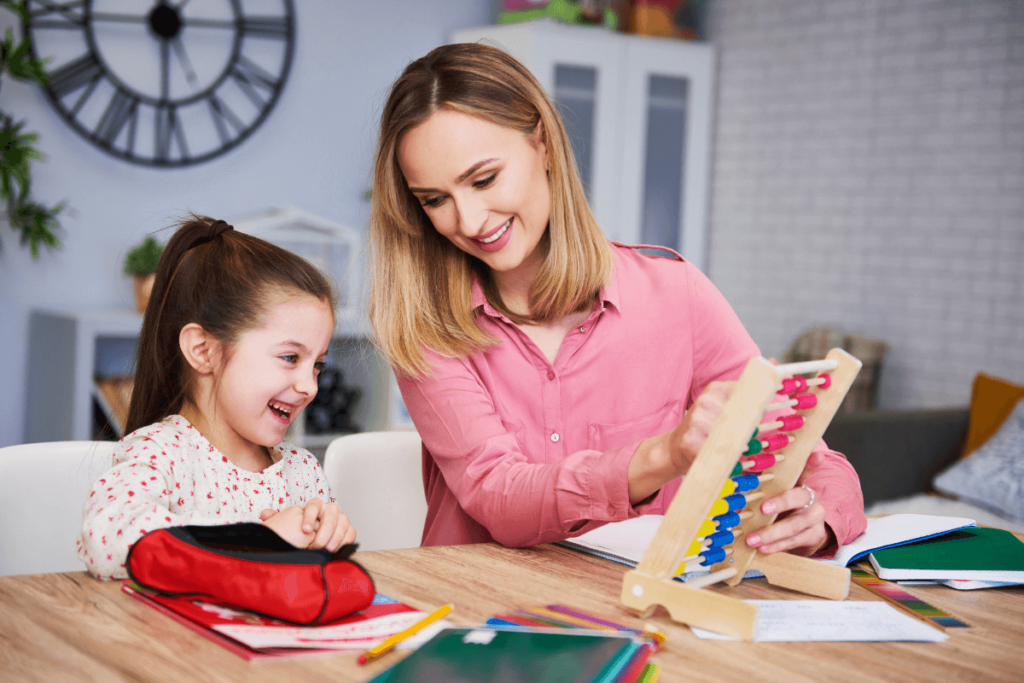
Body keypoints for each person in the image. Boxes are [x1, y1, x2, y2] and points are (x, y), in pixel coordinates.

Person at [368, 43, 866, 558]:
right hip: (479, 616)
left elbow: (809, 456)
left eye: (484, 179)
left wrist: (820, 513)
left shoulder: (676, 295)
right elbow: (500, 497)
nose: (468, 221)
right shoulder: (425, 330)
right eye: (434, 200)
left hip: (637, 611)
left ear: (542, 143)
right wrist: (664, 455)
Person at [78, 217, 356, 580]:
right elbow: (108, 540)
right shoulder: (162, 454)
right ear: (203, 350)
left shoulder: (301, 471)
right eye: (290, 358)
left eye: (317, 364)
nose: (310, 386)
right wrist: (254, 540)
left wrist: (331, 537)